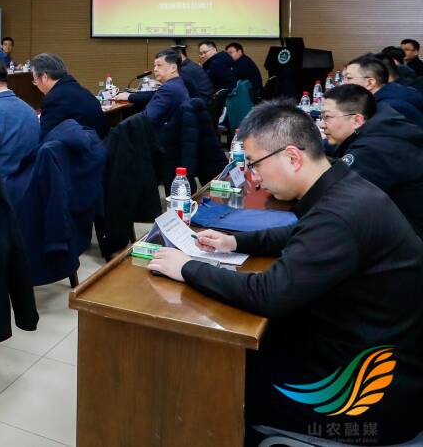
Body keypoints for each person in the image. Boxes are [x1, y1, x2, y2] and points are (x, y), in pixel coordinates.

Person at [148, 101, 423, 445]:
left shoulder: (339, 215)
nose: (255, 178)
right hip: (366, 350)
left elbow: (269, 294)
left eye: (255, 164)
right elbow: (299, 233)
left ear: (292, 157)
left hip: (366, 396)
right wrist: (234, 241)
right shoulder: (343, 186)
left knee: (218, 380)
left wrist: (187, 267)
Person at [321, 84, 423, 239]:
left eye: (327, 117)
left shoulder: (371, 151)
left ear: (357, 120)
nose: (322, 124)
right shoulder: (381, 125)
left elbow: (331, 196)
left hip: (410, 239)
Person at [30, 53, 108, 141]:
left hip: (85, 147)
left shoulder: (54, 99)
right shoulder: (78, 88)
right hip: (99, 143)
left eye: (35, 80)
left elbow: (43, 137)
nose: (36, 84)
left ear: (44, 77)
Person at [115, 49, 189, 129]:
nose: (155, 69)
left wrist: (121, 128)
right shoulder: (177, 83)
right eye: (155, 66)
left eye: (159, 65)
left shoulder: (169, 88)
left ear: (173, 68)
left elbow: (147, 119)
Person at [344, 54, 423, 124]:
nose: (345, 83)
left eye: (349, 78)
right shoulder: (394, 90)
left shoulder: (389, 107)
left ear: (370, 83)